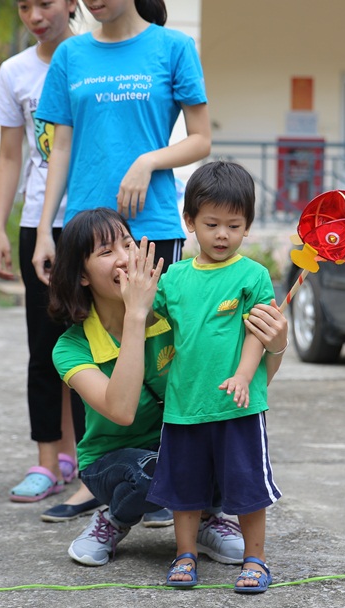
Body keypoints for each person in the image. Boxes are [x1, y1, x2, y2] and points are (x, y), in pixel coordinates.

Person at [48, 207, 288, 567]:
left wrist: (277, 344)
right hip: (114, 461)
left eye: (128, 244)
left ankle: (205, 519)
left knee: (233, 448)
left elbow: (238, 390)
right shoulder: (70, 347)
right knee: (153, 471)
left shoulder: (172, 312)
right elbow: (123, 410)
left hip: (177, 439)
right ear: (82, 276)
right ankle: (114, 519)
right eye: (106, 252)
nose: (125, 259)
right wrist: (135, 315)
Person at [144, 161, 285, 593]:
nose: (221, 235)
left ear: (247, 228)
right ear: (189, 222)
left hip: (239, 405)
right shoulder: (174, 279)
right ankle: (185, 554)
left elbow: (257, 336)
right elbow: (148, 322)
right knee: (183, 490)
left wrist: (244, 376)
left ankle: (255, 559)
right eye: (211, 224)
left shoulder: (253, 276)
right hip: (184, 404)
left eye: (233, 225)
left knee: (247, 487)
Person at [0, 0, 94, 516]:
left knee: (93, 346)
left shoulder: (96, 56)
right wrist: (0, 228)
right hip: (40, 224)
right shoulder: (15, 71)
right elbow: (12, 155)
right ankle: (46, 462)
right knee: (45, 345)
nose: (35, 14)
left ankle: (85, 461)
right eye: (24, 5)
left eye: (45, 2)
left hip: (92, 222)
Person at [31, 0, 210, 279]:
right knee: (86, 324)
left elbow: (201, 140)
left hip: (151, 225)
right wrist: (44, 232)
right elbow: (61, 149)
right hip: (84, 229)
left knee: (152, 322)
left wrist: (147, 162)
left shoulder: (175, 47)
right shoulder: (69, 54)